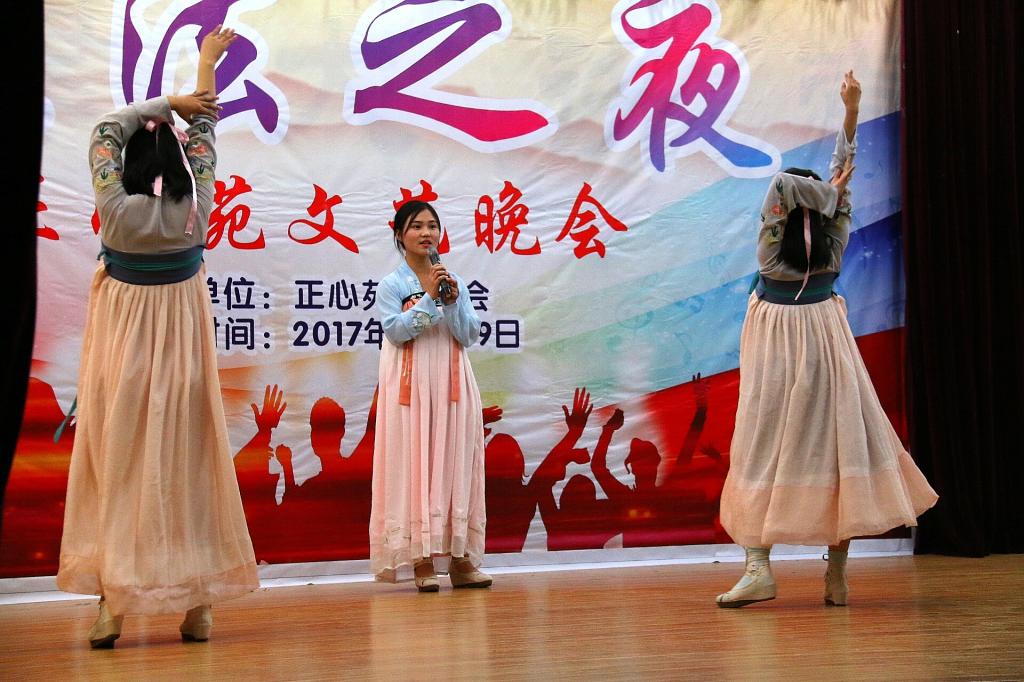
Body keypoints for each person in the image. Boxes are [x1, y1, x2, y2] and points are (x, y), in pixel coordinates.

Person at [56, 27, 259, 646]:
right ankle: (197, 605)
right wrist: (205, 66)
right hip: (182, 360)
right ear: (179, 166)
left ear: (127, 168)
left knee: (121, 468)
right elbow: (206, 130)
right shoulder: (196, 208)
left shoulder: (115, 209)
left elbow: (105, 131)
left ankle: (112, 607)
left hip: (122, 358)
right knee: (185, 469)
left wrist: (167, 103)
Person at [716, 71, 937, 608]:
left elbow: (785, 186)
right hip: (822, 336)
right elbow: (838, 175)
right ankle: (831, 574)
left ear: (784, 212)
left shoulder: (773, 242)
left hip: (780, 338)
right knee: (835, 448)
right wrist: (850, 122)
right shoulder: (835, 229)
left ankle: (761, 568)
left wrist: (846, 134)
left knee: (765, 445)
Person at [369, 201, 491, 592]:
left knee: (455, 463)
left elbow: (469, 334)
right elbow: (396, 331)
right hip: (411, 387)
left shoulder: (453, 281)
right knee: (414, 465)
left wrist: (450, 300)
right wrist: (431, 299)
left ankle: (460, 558)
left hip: (452, 383)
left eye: (433, 226)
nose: (427, 234)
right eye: (417, 226)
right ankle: (420, 559)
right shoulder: (392, 285)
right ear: (399, 235)